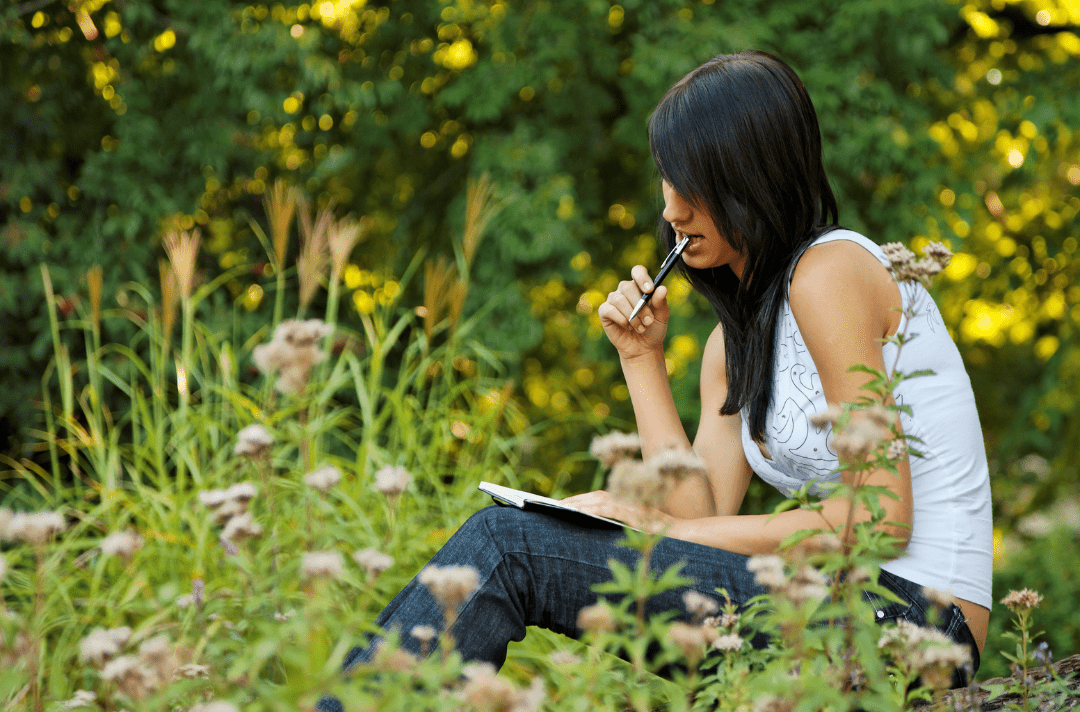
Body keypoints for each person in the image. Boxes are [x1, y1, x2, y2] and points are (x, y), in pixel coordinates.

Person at [322, 50, 992, 706]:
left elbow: (879, 521)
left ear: (748, 178)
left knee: (505, 544)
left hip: (917, 625)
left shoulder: (830, 274)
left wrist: (641, 521)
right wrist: (640, 359)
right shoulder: (732, 346)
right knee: (514, 538)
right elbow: (694, 522)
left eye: (690, 182)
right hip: (825, 604)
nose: (671, 208)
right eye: (666, 179)